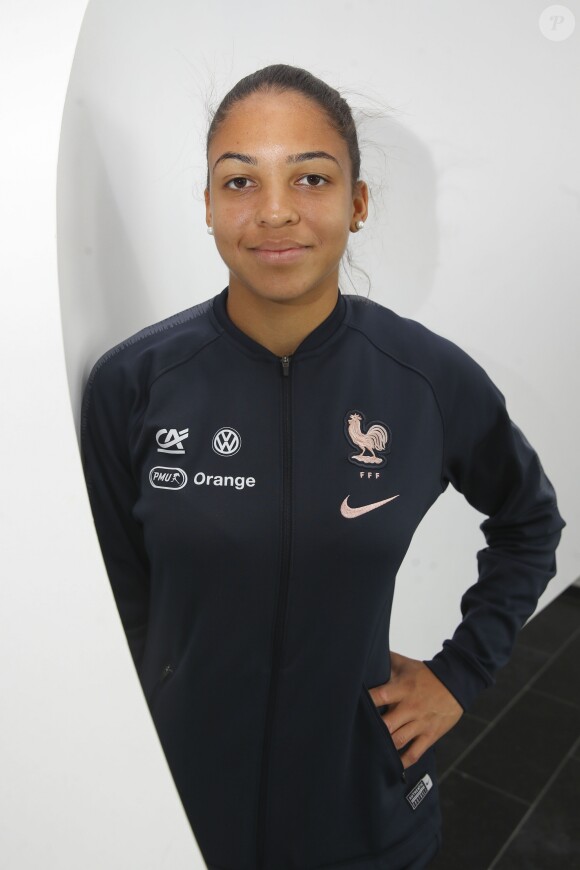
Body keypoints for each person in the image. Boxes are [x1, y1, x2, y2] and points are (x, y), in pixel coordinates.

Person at [80, 63, 565, 870]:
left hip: (361, 812)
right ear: (206, 205)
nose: (275, 211)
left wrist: (460, 673)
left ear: (358, 203)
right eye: (240, 181)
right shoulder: (134, 385)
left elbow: (530, 521)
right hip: (171, 805)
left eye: (311, 177)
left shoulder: (426, 380)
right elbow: (112, 597)